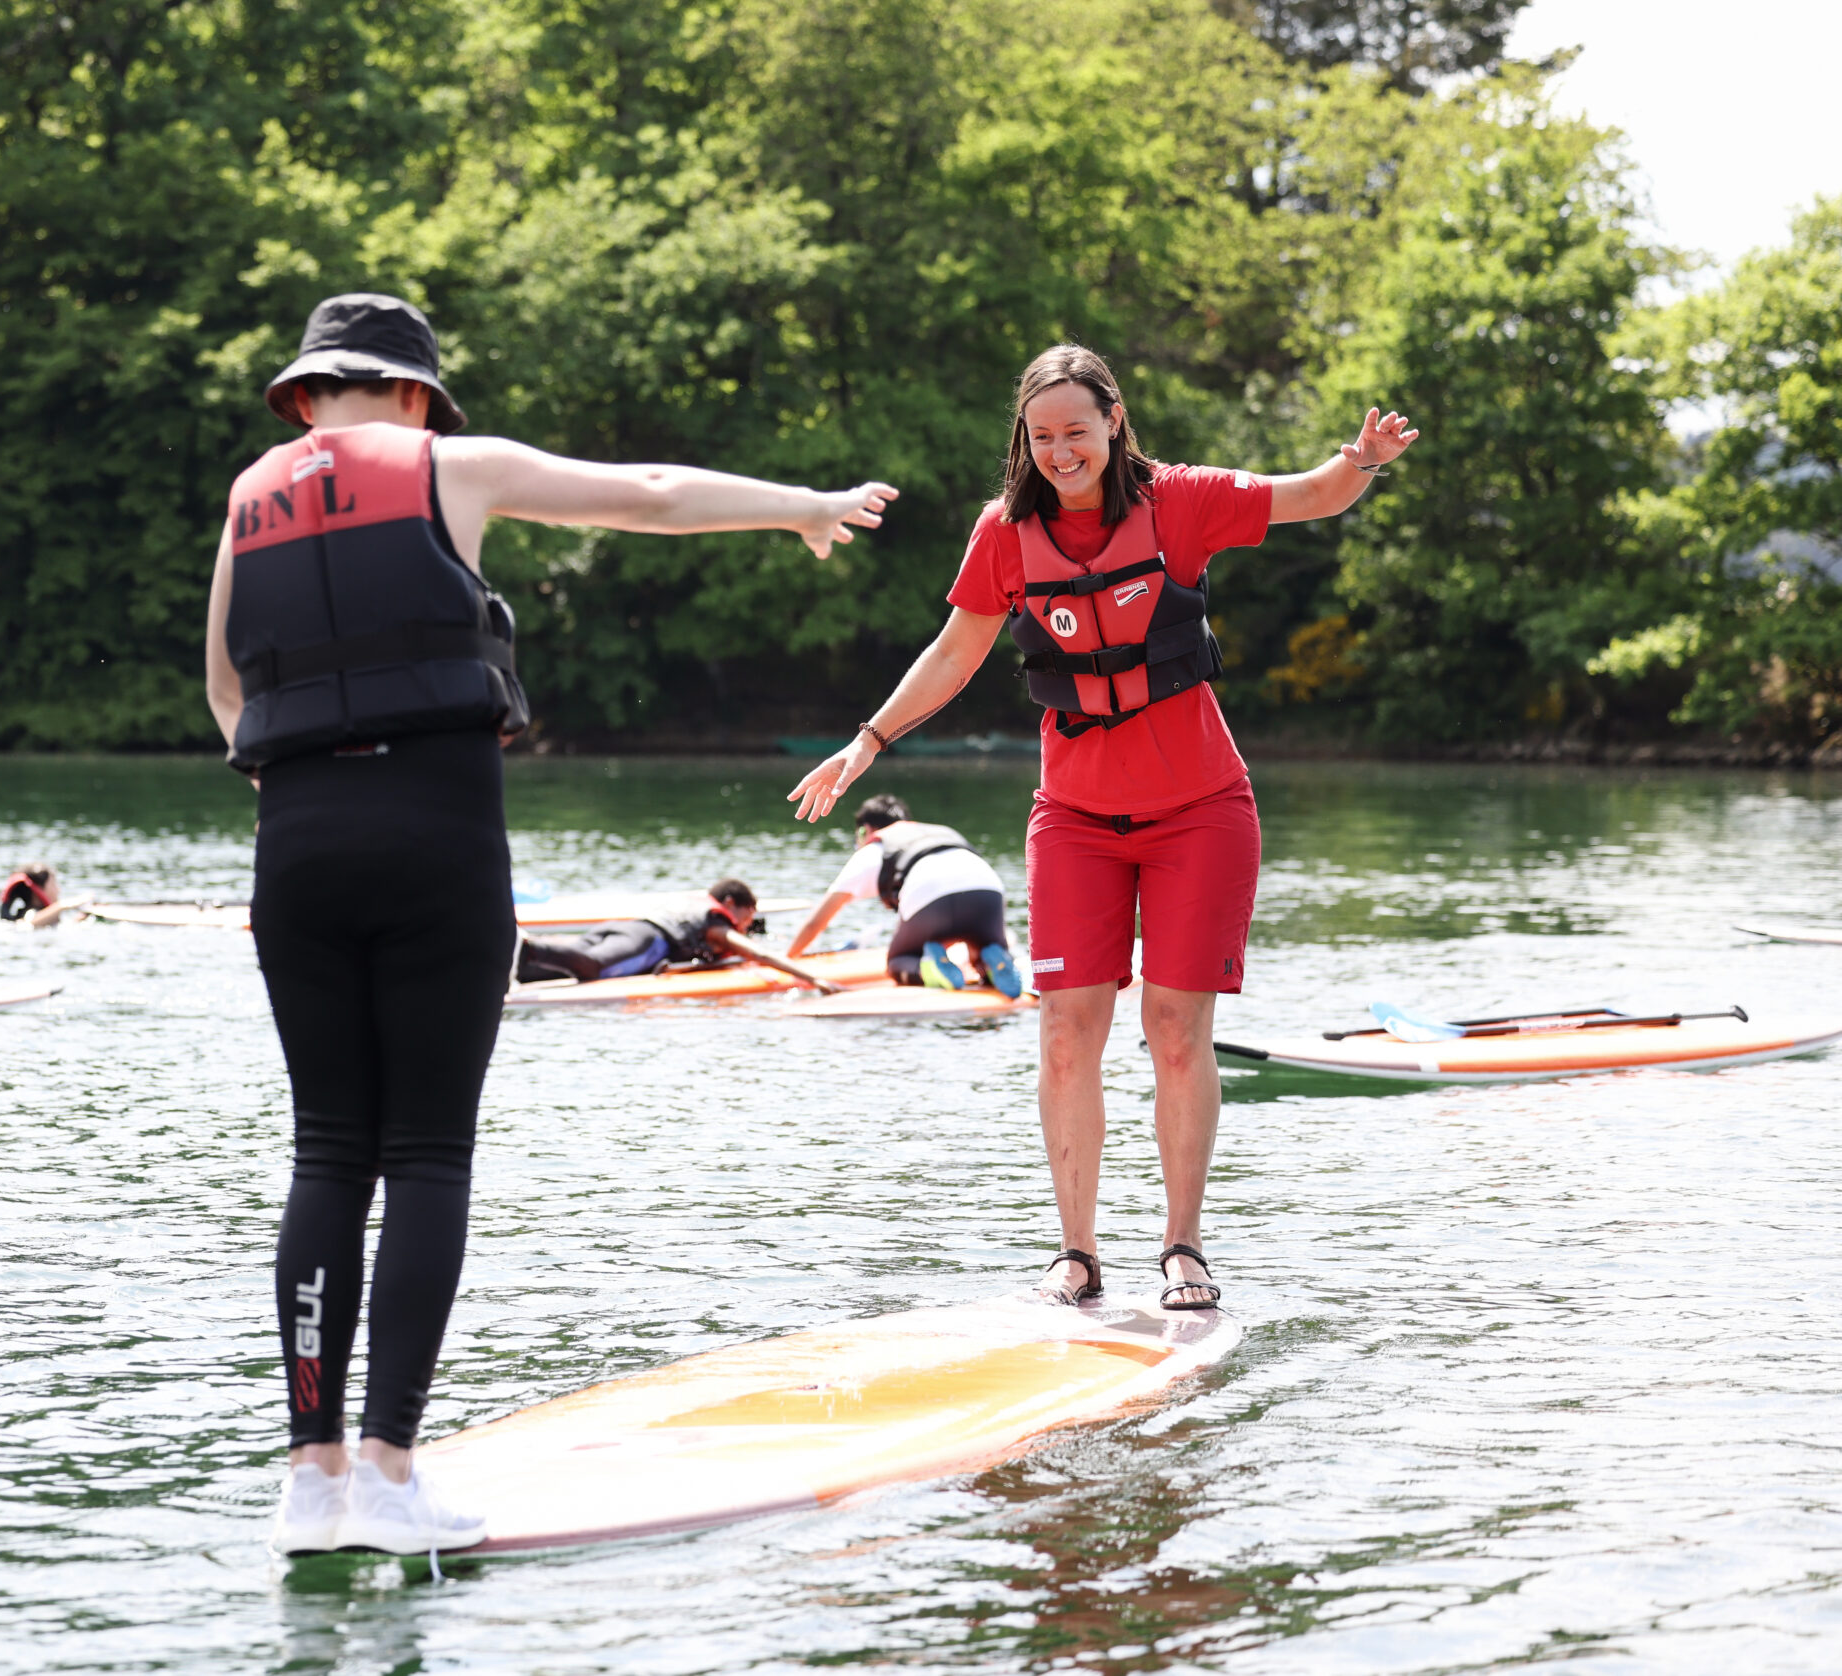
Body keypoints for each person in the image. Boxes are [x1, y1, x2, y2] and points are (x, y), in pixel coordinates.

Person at [206, 292, 895, 1556]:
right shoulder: (450, 466)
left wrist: (309, 795)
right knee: (421, 1152)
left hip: (295, 854)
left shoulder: (248, 500)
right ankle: (393, 1474)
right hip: (434, 840)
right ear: (414, 394)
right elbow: (643, 490)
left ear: (306, 395)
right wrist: (799, 507)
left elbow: (225, 688)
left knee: (324, 1152)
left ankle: (310, 1486)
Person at [790, 343, 1418, 1313]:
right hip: (1075, 818)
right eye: (1041, 437)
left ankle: (1182, 1246)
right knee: (1066, 1033)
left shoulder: (1183, 502)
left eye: (1075, 431)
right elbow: (955, 651)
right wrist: (866, 742)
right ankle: (1076, 1253)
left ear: (1114, 419)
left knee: (1174, 1033)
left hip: (1200, 811)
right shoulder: (1003, 532)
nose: (1059, 451)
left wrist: (1362, 458)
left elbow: (1311, 495)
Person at [788, 794, 1023, 995]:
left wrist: (790, 958)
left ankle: (927, 968)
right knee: (983, 943)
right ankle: (990, 962)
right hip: (989, 890)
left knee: (898, 962)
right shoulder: (939, 831)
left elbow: (818, 920)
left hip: (932, 896)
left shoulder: (873, 849)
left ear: (865, 830)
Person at [514, 879, 818, 985]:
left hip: (625, 930)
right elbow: (759, 953)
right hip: (646, 941)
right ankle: (524, 946)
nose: (746, 926)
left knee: (555, 973)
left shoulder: (694, 905)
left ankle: (513, 964)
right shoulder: (716, 925)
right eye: (747, 916)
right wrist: (813, 978)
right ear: (730, 904)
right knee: (591, 968)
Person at [0, 863, 92, 928]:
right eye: (53, 884)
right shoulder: (30, 912)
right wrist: (62, 906)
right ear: (38, 890)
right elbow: (26, 924)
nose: (58, 890)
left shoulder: (43, 914)